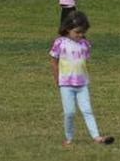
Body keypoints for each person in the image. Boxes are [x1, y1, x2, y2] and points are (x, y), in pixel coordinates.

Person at [48, 11, 115, 148]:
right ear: (67, 29)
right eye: (77, 32)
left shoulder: (85, 44)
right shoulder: (60, 43)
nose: (80, 35)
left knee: (87, 110)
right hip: (66, 85)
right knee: (69, 112)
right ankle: (69, 138)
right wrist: (57, 79)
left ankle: (97, 137)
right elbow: (53, 60)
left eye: (83, 32)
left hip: (82, 84)